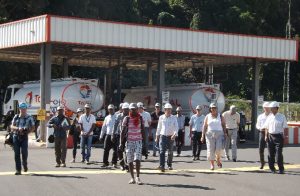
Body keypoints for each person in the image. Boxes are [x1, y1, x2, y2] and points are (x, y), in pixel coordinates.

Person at [120, 103, 145, 185]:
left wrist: (144, 143)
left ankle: (138, 177)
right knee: (130, 160)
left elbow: (143, 130)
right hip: (129, 141)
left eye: (134, 109)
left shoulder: (140, 118)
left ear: (137, 109)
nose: (133, 111)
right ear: (129, 110)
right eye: (131, 109)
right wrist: (121, 143)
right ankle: (132, 178)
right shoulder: (126, 119)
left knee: (137, 159)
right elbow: (123, 132)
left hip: (138, 141)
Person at [10, 102, 35, 175]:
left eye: (24, 109)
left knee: (24, 153)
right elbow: (11, 126)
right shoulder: (16, 116)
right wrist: (18, 128)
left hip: (24, 137)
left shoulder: (29, 117)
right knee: (16, 154)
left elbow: (33, 127)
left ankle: (24, 163)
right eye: (21, 109)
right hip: (16, 136)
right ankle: (18, 170)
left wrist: (27, 132)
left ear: (26, 109)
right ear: (19, 109)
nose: (23, 110)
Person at [263, 101, 288, 174]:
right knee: (270, 154)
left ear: (277, 108)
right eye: (271, 108)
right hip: (270, 136)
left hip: (279, 136)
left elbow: (285, 127)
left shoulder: (282, 116)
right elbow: (266, 127)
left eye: (272, 108)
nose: (271, 110)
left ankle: (281, 169)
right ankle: (272, 168)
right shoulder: (269, 117)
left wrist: (285, 136)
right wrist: (265, 136)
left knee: (279, 154)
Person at [201, 103, 227, 170]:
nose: (213, 109)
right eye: (212, 108)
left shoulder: (220, 116)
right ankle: (212, 164)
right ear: (210, 109)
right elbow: (204, 126)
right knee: (210, 149)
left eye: (215, 108)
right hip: (210, 134)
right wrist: (202, 136)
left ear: (216, 109)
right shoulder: (207, 116)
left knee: (218, 149)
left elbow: (224, 125)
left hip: (219, 134)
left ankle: (218, 159)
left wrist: (225, 133)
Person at [156, 103, 178, 172]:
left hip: (170, 137)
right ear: (164, 110)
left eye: (170, 109)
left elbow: (176, 127)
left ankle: (169, 165)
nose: (168, 111)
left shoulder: (174, 117)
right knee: (162, 151)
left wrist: (174, 134)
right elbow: (159, 128)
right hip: (163, 136)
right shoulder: (161, 117)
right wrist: (157, 137)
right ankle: (162, 166)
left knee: (170, 152)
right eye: (167, 109)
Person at [113, 102, 130, 170]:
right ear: (122, 109)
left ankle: (127, 164)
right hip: (120, 135)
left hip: (128, 135)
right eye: (125, 109)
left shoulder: (130, 116)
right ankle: (122, 164)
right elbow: (115, 125)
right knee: (119, 150)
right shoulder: (119, 116)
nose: (126, 110)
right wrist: (113, 134)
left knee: (127, 151)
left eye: (127, 109)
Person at [256, 102, 270, 169]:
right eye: (265, 107)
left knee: (271, 150)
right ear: (263, 108)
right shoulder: (260, 116)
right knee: (260, 149)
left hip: (270, 133)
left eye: (267, 107)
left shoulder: (272, 116)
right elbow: (257, 125)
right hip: (262, 132)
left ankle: (271, 164)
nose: (266, 109)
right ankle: (262, 162)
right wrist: (260, 128)